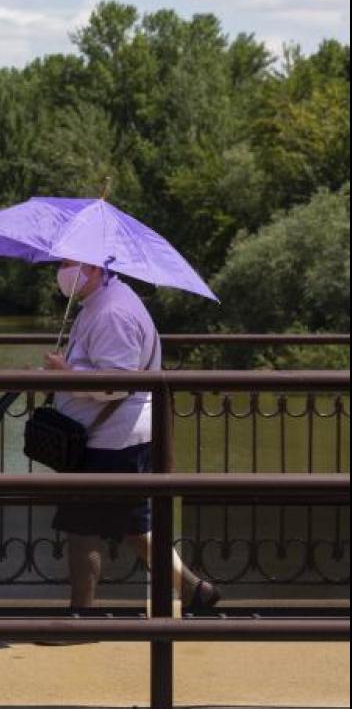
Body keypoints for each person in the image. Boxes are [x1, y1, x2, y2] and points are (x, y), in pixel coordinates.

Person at [43, 259, 221, 612]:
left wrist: (68, 371)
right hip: (117, 438)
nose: (61, 271)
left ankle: (79, 618)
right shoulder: (102, 303)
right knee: (135, 528)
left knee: (82, 529)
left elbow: (117, 383)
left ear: (94, 268)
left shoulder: (113, 312)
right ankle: (195, 590)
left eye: (68, 263)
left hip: (109, 441)